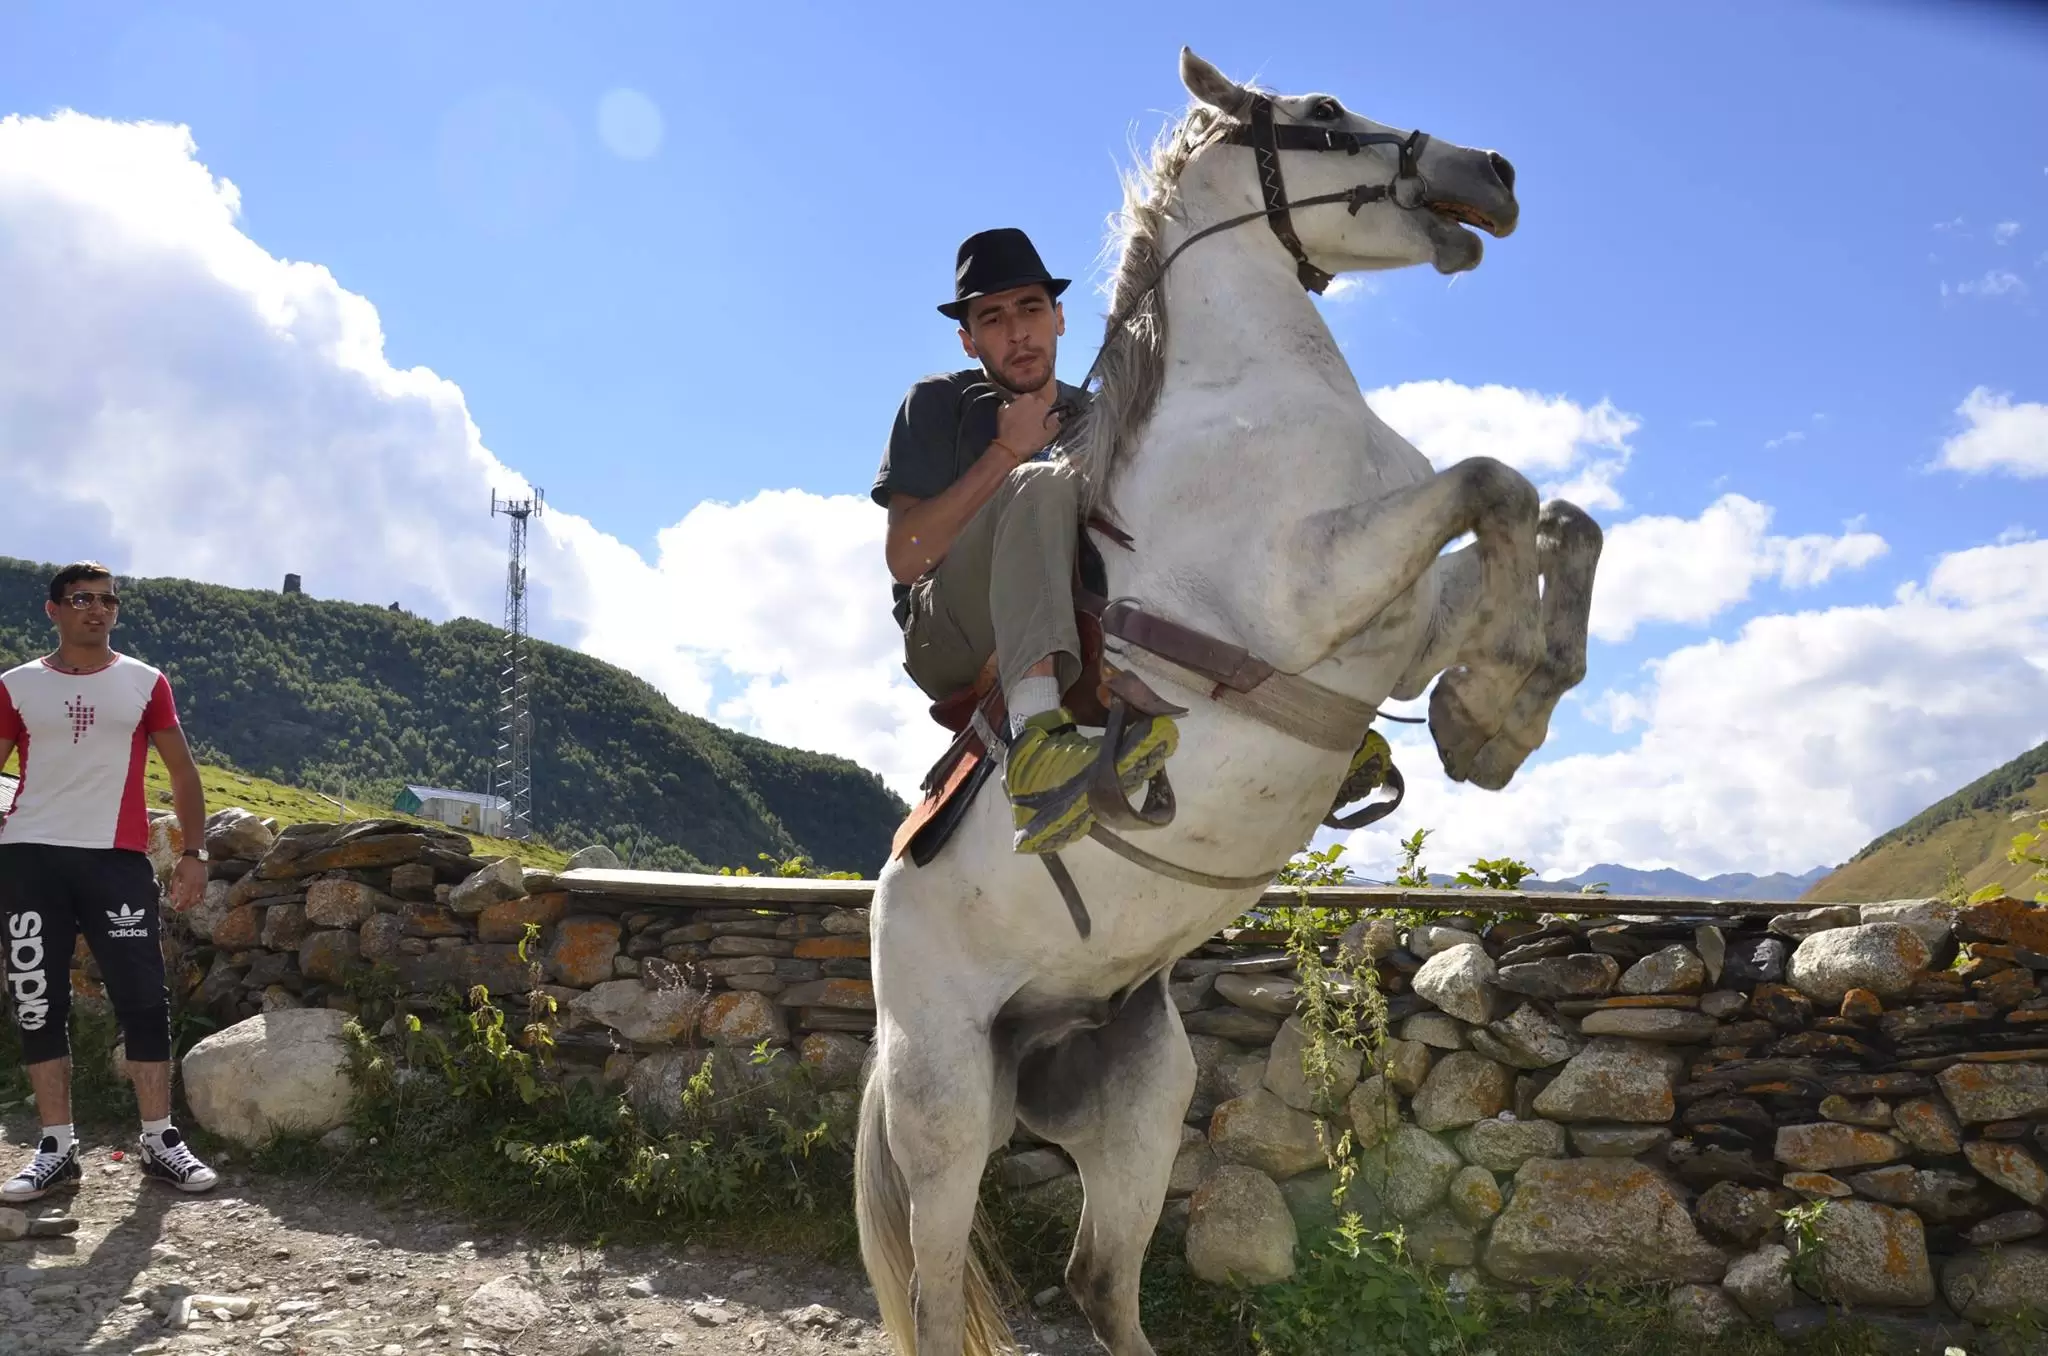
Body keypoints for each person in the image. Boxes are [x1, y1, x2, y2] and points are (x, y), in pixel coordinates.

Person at [874, 228, 1177, 854]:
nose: (1017, 331)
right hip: (950, 630)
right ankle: (1037, 741)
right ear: (968, 339)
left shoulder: (1099, 415)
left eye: (1031, 309)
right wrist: (1007, 451)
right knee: (1041, 482)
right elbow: (906, 558)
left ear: (1059, 319)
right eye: (992, 318)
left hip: (1077, 609)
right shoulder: (938, 401)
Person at [0, 561, 218, 1201]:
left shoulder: (145, 682)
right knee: (37, 998)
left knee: (144, 997)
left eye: (107, 600)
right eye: (81, 599)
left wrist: (195, 852)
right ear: (53, 609)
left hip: (115, 859)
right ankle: (56, 1148)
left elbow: (182, 772)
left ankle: (159, 1140)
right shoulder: (16, 685)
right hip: (29, 857)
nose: (97, 609)